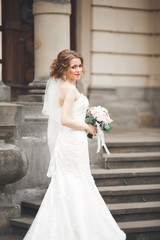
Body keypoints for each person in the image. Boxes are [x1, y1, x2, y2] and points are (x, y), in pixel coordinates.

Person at [23, 49, 126, 240]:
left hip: (73, 141)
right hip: (71, 142)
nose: (78, 70)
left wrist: (91, 119)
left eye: (80, 66)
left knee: (75, 183)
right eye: (74, 67)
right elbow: (64, 119)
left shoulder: (67, 85)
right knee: (74, 183)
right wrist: (87, 127)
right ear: (64, 68)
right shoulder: (69, 89)